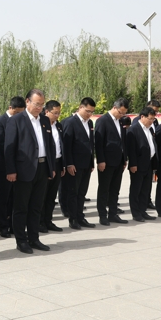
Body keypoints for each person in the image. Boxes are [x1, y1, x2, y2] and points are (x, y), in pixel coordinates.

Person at [5, 89, 55, 254]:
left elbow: (50, 145)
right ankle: (21, 240)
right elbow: (9, 148)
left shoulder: (45, 121)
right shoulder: (16, 120)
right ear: (27, 102)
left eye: (42, 105)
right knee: (21, 207)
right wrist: (11, 170)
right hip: (23, 170)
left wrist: (51, 167)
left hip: (42, 168)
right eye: (36, 104)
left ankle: (34, 238)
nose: (39, 108)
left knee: (36, 206)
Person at [61, 97, 96, 230]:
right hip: (74, 165)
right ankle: (73, 218)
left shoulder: (89, 123)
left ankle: (80, 217)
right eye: (87, 111)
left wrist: (91, 162)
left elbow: (90, 144)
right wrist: (69, 164)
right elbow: (66, 145)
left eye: (92, 112)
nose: (89, 114)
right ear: (80, 107)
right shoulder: (70, 122)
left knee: (82, 192)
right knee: (73, 193)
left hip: (86, 164)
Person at [0, 96, 25, 238]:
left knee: (16, 197)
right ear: (10, 108)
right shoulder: (0, 122)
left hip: (19, 165)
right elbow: (0, 144)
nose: (19, 115)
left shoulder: (22, 121)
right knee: (4, 197)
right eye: (17, 112)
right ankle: (3, 226)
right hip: (5, 165)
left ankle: (13, 225)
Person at [94, 98, 130, 225]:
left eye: (124, 113)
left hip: (118, 161)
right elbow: (99, 143)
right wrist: (101, 160)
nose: (122, 115)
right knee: (104, 189)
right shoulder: (102, 121)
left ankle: (113, 214)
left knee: (115, 189)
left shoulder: (120, 121)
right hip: (106, 162)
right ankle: (102, 215)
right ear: (114, 107)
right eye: (120, 112)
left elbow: (123, 141)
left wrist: (124, 158)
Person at [127, 107, 158, 221]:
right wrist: (133, 164)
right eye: (150, 119)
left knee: (146, 189)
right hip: (138, 165)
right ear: (142, 117)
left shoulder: (149, 129)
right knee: (136, 190)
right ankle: (136, 213)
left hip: (148, 163)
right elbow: (131, 149)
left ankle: (143, 211)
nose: (152, 121)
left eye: (153, 119)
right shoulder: (133, 129)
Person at [41, 100, 65, 233]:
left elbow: (62, 146)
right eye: (55, 113)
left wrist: (62, 166)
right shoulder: (41, 125)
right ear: (47, 111)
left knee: (51, 195)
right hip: (46, 164)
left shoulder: (58, 126)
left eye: (59, 113)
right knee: (42, 195)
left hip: (57, 162)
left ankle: (48, 220)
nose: (57, 115)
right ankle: (39, 222)